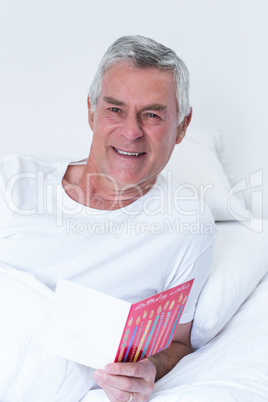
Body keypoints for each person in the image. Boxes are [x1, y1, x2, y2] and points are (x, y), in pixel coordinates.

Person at [0, 35, 215, 401]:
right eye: (115, 109)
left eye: (152, 115)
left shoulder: (187, 225)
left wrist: (150, 368)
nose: (131, 131)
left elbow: (178, 342)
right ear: (91, 111)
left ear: (182, 125)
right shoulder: (13, 178)